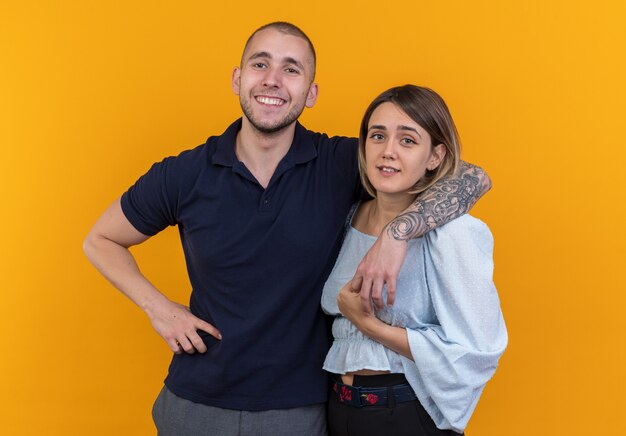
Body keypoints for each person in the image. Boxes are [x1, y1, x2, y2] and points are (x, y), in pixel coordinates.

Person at [83, 23, 491, 436]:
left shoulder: (342, 162)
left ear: (311, 93)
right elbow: (101, 239)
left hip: (301, 408)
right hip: (195, 402)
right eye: (260, 63)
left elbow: (470, 176)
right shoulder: (185, 173)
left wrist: (398, 232)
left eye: (292, 69)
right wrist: (159, 309)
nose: (273, 80)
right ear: (238, 78)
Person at [322, 85, 507, 436]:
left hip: (405, 414)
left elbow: (477, 352)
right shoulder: (346, 217)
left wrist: (369, 324)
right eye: (378, 135)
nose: (388, 151)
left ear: (435, 156)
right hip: (337, 409)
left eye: (407, 140)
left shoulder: (455, 233)